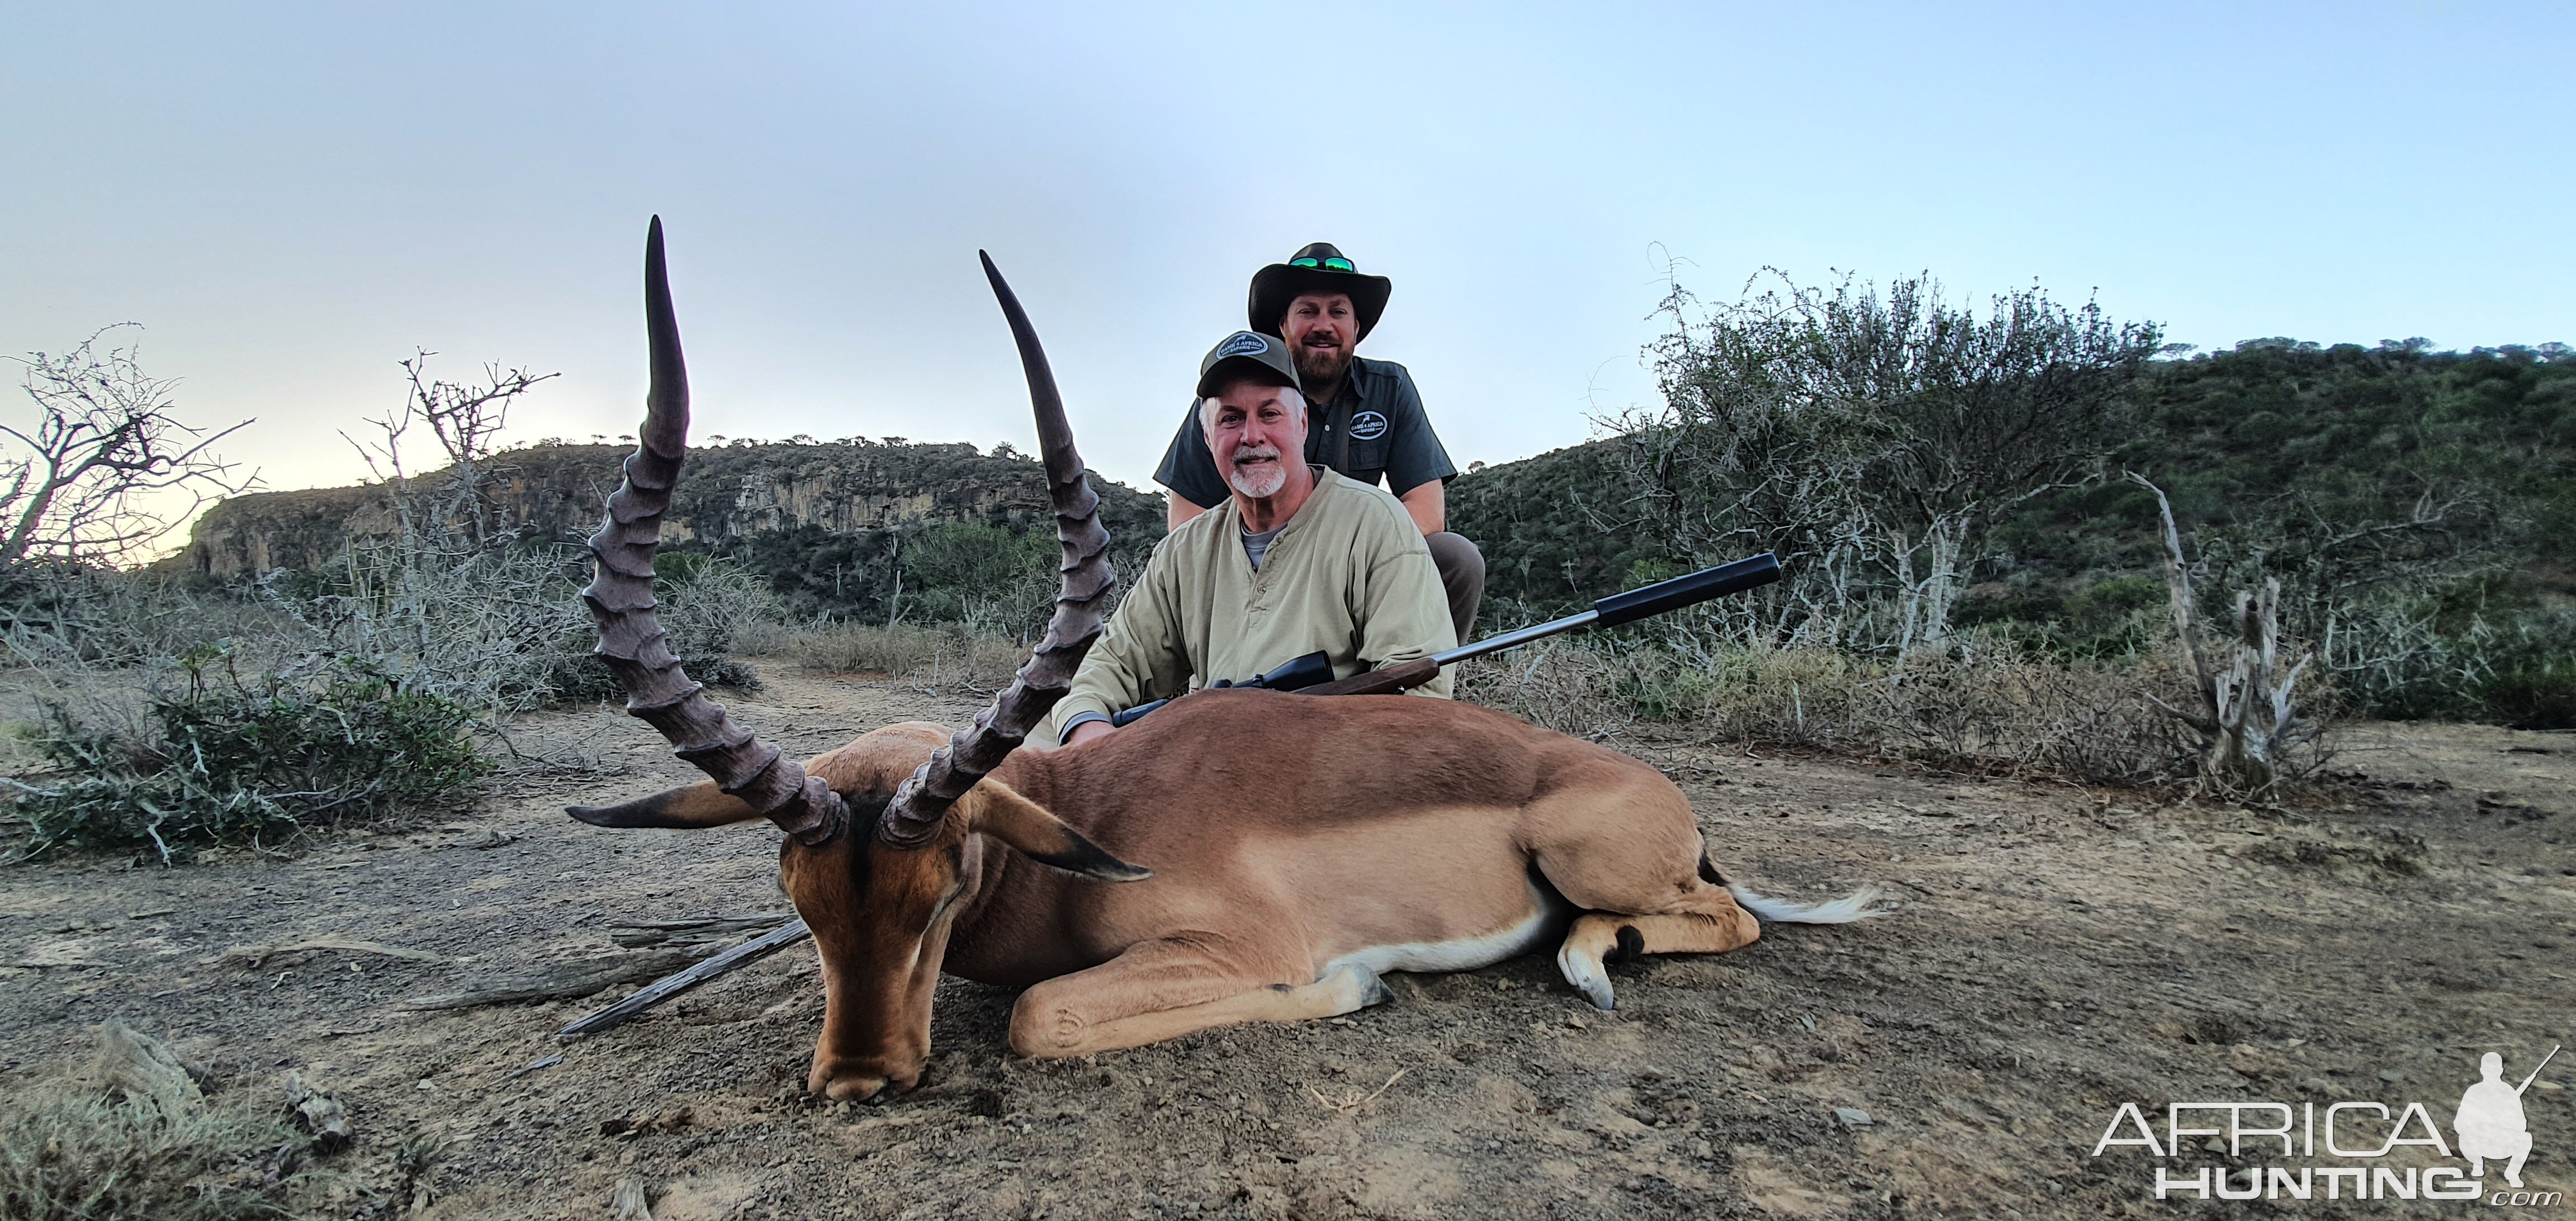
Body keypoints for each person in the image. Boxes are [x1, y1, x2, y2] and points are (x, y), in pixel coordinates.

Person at [1052, 330, 1456, 747]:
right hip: (1205, 768)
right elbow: (1108, 668)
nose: (1251, 435)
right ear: (1208, 439)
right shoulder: (1182, 552)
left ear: (1301, 424)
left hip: (1335, 769)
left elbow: (1419, 691)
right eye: (1231, 418)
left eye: (1269, 414)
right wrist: (1088, 732)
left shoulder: (1376, 521)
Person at [1153, 243, 1485, 641]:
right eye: (1308, 311)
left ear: (1356, 328)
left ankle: (1414, 695)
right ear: (1283, 327)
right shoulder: (1230, 393)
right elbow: (1185, 523)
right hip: (1254, 576)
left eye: (1338, 312)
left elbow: (1427, 513)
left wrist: (1336, 560)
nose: (1323, 325)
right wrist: (1274, 568)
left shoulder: (1391, 387)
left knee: (1456, 558)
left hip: (1358, 567)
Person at [2455, 1052, 2535, 1189]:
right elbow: (2459, 1123)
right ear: (2482, 1070)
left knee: (2526, 1138)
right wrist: (2480, 1125)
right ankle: (2477, 1163)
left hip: (2501, 1144)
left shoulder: (2509, 1092)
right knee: (2464, 1137)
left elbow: (2522, 1125)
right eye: (2488, 1069)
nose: (2491, 1073)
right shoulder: (2473, 1091)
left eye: (2494, 1070)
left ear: (2501, 1071)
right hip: (2478, 1144)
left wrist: (2504, 1122)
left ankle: (2512, 1173)